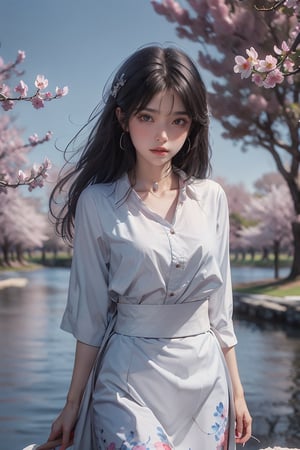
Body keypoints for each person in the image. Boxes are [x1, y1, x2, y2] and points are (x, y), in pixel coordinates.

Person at [47, 44, 252, 450]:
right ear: (122, 118)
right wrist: (72, 404)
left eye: (178, 120)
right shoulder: (98, 202)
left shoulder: (211, 198)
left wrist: (239, 392)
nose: (163, 135)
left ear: (193, 124)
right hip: (127, 379)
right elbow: (90, 312)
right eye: (147, 116)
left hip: (204, 379)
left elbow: (220, 308)